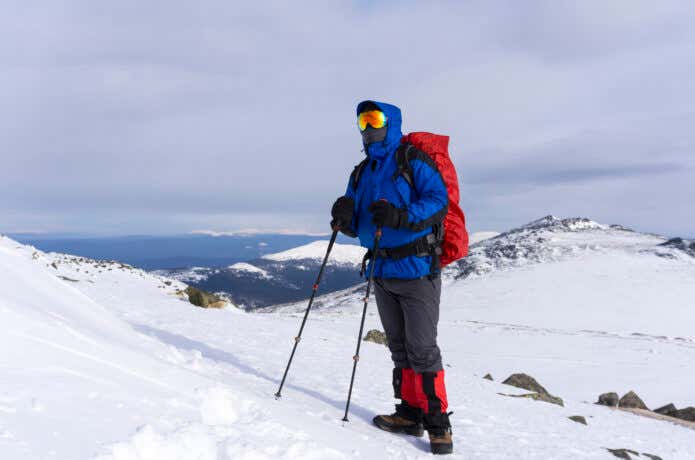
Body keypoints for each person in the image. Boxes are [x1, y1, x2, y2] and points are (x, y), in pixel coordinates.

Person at [331, 100, 453, 455]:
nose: (369, 127)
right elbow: (359, 224)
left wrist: (401, 216)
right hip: (381, 268)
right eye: (363, 121)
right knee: (399, 347)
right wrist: (343, 217)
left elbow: (437, 201)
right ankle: (409, 412)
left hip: (417, 268)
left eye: (376, 119)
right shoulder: (362, 171)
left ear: (392, 122)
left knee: (422, 349)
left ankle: (438, 424)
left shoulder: (412, 160)